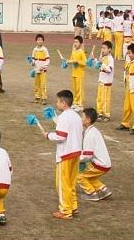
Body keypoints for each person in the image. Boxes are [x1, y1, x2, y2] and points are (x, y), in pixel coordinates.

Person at [35, 90, 82, 220]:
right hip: (76, 153)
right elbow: (67, 129)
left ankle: (65, 211)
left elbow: (61, 136)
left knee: (62, 183)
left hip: (65, 154)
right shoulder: (76, 116)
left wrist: (48, 135)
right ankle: (73, 206)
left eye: (58, 101)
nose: (57, 104)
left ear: (63, 102)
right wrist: (54, 117)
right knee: (71, 183)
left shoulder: (64, 117)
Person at [77, 108, 112, 201]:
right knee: (89, 176)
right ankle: (104, 189)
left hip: (99, 164)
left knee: (79, 176)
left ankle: (92, 193)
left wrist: (78, 160)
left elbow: (88, 156)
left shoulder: (89, 135)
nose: (81, 119)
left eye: (82, 117)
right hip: (105, 163)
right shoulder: (94, 131)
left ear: (88, 120)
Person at [117, 43, 134, 134]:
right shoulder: (128, 62)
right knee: (126, 107)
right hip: (128, 87)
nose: (128, 55)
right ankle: (125, 123)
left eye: (130, 53)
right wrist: (128, 50)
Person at [64, 36, 87, 111]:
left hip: (80, 74)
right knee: (74, 89)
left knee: (79, 89)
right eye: (74, 42)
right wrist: (67, 62)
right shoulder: (73, 51)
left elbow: (85, 62)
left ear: (80, 43)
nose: (75, 44)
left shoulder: (81, 52)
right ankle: (75, 103)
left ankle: (80, 105)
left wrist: (78, 61)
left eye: (77, 42)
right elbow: (71, 60)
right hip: (73, 73)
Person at [95, 41, 115, 121]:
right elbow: (98, 66)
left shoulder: (110, 59)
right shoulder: (104, 58)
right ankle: (100, 113)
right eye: (102, 48)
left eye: (104, 48)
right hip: (101, 82)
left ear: (109, 49)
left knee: (106, 99)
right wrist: (95, 61)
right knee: (99, 98)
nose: (102, 50)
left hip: (106, 83)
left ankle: (106, 115)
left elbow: (109, 69)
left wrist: (102, 63)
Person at [31, 34, 50, 104]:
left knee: (43, 84)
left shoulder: (45, 50)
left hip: (43, 70)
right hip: (36, 69)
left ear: (43, 41)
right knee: (36, 84)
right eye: (38, 40)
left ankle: (44, 98)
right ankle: (37, 97)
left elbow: (48, 60)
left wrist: (44, 66)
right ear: (36, 41)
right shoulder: (34, 50)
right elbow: (33, 58)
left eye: (41, 40)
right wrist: (32, 62)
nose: (40, 41)